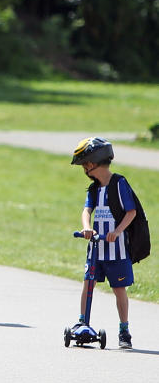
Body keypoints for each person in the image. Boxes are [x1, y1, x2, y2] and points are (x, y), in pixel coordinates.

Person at [72, 137, 138, 349]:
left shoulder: (119, 184)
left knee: (119, 289)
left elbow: (132, 211)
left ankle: (124, 330)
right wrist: (86, 227)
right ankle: (83, 321)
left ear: (93, 163)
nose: (84, 169)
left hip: (116, 252)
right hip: (96, 249)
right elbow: (87, 210)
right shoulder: (93, 189)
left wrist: (117, 231)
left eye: (84, 164)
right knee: (88, 283)